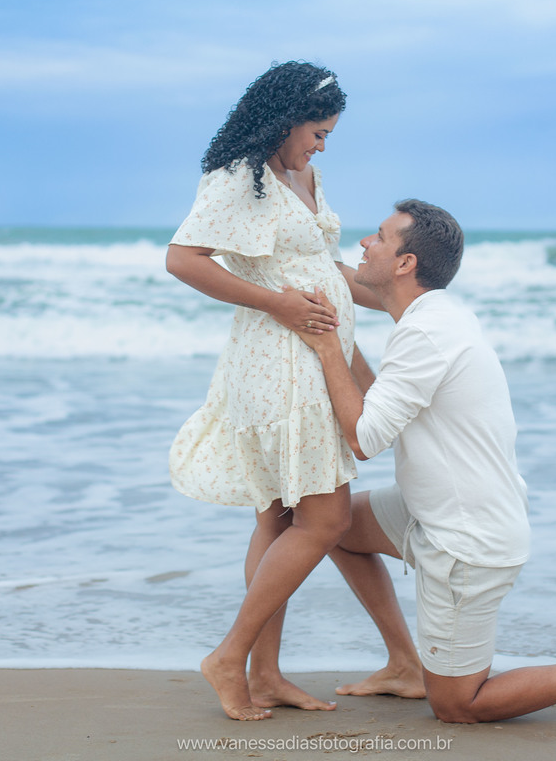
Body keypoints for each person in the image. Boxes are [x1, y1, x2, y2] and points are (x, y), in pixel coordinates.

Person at [289, 199, 556, 724]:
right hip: (446, 508)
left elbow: (365, 440)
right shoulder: (434, 317)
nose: (363, 245)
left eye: (377, 237)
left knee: (458, 705)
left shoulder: (425, 332)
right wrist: (338, 332)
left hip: (467, 539)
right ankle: (405, 664)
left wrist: (328, 348)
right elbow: (384, 411)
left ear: (405, 263)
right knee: (338, 524)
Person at [165, 61, 380, 721]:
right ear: (286, 120)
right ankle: (229, 657)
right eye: (317, 132)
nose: (322, 145)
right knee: (326, 520)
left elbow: (320, 269)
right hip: (279, 368)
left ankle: (264, 674)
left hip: (319, 360)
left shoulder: (303, 173)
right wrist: (278, 305)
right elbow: (183, 260)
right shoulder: (239, 175)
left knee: (280, 518)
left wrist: (382, 328)